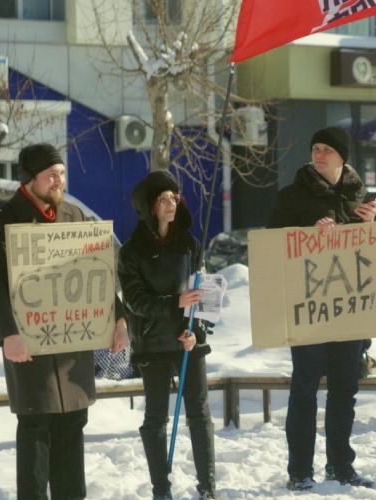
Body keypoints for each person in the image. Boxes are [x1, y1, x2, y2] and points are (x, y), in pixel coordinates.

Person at [0, 143, 129, 499]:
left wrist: (118, 319)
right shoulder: (0, 220)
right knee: (36, 425)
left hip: (73, 342)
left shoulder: (75, 217)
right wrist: (7, 334)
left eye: (61, 173)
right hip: (29, 343)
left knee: (73, 423)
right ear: (30, 179)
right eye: (51, 175)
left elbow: (98, 276)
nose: (58, 180)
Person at [267, 126, 376, 491]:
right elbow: (270, 246)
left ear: (342, 157)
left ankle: (340, 466)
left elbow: (374, 256)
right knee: (304, 391)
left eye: (327, 149)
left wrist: (370, 226)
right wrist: (309, 234)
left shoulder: (359, 196)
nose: (318, 154)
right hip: (309, 311)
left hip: (348, 311)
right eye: (315, 148)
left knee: (345, 391)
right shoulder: (292, 197)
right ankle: (299, 471)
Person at [117, 171, 217, 499]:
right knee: (155, 416)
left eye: (175, 197)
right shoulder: (132, 252)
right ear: (149, 206)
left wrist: (196, 331)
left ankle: (208, 486)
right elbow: (135, 300)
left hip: (186, 340)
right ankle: (162, 489)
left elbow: (203, 296)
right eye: (163, 198)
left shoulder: (190, 245)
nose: (171, 203)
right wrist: (175, 303)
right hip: (152, 341)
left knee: (200, 414)